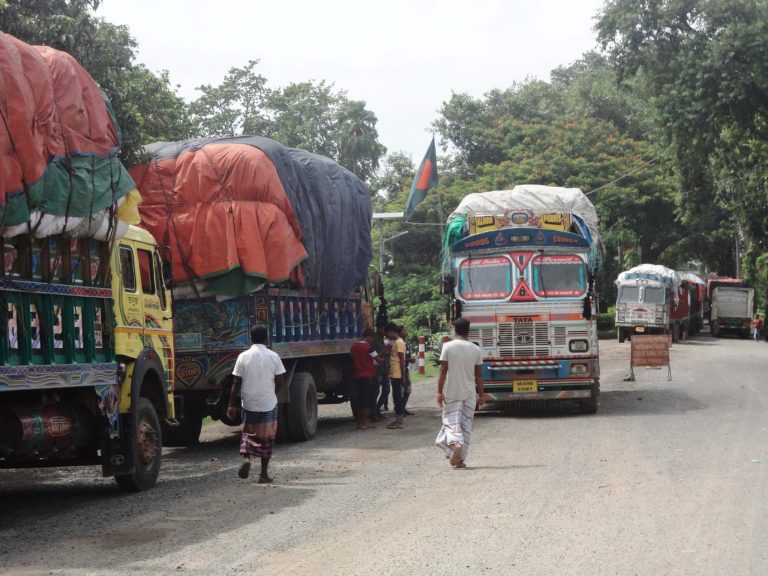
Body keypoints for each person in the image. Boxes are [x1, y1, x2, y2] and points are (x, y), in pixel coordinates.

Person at [227, 324, 286, 483]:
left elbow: (235, 383)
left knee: (248, 433)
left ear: (250, 337)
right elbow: (281, 382)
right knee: (267, 437)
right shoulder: (273, 356)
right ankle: (263, 474)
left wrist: (231, 405)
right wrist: (272, 393)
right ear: (266, 338)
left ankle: (247, 459)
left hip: (248, 402)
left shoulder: (243, 356)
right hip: (268, 402)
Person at [435, 317, 487, 468]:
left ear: (454, 330)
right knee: (465, 425)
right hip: (469, 393)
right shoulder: (475, 349)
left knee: (451, 422)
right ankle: (459, 459)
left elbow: (443, 370)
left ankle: (456, 443)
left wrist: (439, 392)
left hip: (453, 392)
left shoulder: (448, 346)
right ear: (468, 330)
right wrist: (481, 394)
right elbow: (478, 375)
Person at [350, 328, 379, 430]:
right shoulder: (368, 347)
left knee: (360, 400)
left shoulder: (354, 347)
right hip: (368, 375)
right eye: (372, 338)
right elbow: (378, 359)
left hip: (358, 375)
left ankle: (359, 422)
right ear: (369, 336)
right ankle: (365, 422)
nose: (373, 340)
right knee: (367, 400)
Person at [385, 322, 407, 429]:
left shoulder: (398, 342)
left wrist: (403, 376)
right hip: (395, 373)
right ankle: (398, 420)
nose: (387, 336)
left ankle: (399, 421)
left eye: (387, 333)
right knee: (396, 396)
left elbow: (402, 360)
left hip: (397, 373)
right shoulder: (398, 342)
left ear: (391, 332)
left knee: (397, 397)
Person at [372, 323, 391, 420]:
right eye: (384, 329)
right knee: (376, 391)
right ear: (379, 328)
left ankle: (377, 409)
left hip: (384, 368)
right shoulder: (374, 341)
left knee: (387, 390)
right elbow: (373, 354)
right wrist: (384, 350)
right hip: (377, 369)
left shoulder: (381, 340)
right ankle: (374, 412)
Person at [399, 325, 416, 416]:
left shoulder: (406, 343)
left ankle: (402, 408)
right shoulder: (399, 343)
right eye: (404, 330)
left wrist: (410, 359)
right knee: (402, 390)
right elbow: (399, 359)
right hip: (400, 369)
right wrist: (409, 360)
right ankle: (399, 410)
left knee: (407, 390)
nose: (406, 331)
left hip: (405, 368)